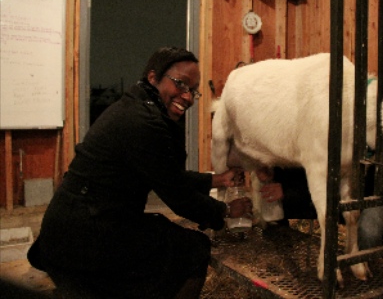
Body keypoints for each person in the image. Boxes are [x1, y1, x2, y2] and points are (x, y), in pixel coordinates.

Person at [27, 47, 252, 299]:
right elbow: (177, 195)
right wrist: (225, 211)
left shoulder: (133, 107)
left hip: (69, 230)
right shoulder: (144, 122)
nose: (187, 96)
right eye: (180, 84)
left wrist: (215, 179)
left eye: (193, 89)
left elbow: (162, 174)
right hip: (86, 237)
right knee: (193, 248)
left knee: (160, 229)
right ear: (153, 78)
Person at [255, 166, 383, 250]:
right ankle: (280, 261)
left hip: (373, 193)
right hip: (318, 193)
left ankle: (369, 282)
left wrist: (289, 190)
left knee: (370, 232)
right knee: (271, 209)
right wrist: (276, 174)